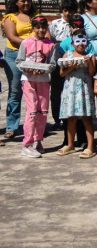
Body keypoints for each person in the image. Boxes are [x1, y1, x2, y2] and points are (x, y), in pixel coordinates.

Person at [16, 15, 53, 158]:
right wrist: (28, 69)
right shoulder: (25, 43)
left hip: (43, 80)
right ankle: (27, 144)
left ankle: (38, 140)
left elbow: (52, 64)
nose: (41, 30)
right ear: (33, 28)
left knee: (42, 111)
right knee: (32, 111)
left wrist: (44, 70)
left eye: (43, 27)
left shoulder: (50, 45)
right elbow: (19, 62)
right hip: (28, 80)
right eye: (37, 27)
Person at [56, 34, 97, 158]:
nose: (81, 44)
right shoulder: (67, 55)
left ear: (87, 43)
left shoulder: (90, 56)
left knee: (86, 118)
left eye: (83, 41)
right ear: (73, 43)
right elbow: (61, 74)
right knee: (71, 118)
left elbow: (92, 73)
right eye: (77, 41)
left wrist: (89, 63)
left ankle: (90, 146)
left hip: (84, 89)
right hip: (70, 89)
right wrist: (72, 66)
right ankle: (70, 145)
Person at [3, 0, 35, 139]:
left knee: (33, 91)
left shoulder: (35, 17)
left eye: (28, 0)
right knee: (15, 91)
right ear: (16, 2)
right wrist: (32, 44)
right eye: (23, 1)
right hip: (14, 56)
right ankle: (12, 126)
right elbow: (12, 37)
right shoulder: (10, 17)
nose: (26, 3)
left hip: (33, 57)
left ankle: (33, 124)